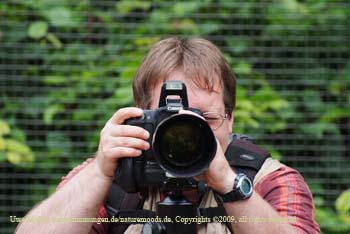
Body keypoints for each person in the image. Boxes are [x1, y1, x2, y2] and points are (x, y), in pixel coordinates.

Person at [16, 37, 320, 234]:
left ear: (230, 119)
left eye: (205, 120)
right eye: (171, 121)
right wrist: (99, 172)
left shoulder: (266, 180)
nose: (188, 135)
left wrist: (231, 186)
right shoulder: (112, 180)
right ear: (140, 116)